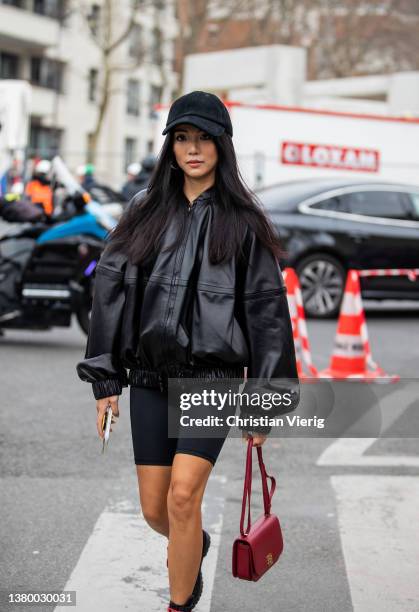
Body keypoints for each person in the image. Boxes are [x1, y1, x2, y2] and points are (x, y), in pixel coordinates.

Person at [76, 90, 299, 612]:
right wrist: (105, 383)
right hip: (151, 378)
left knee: (183, 496)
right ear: (170, 147)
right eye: (182, 138)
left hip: (212, 383)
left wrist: (263, 400)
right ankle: (191, 546)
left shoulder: (243, 222)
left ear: (222, 145)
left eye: (203, 138)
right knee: (158, 510)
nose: (192, 149)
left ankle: (178, 604)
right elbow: (109, 294)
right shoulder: (144, 211)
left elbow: (268, 315)